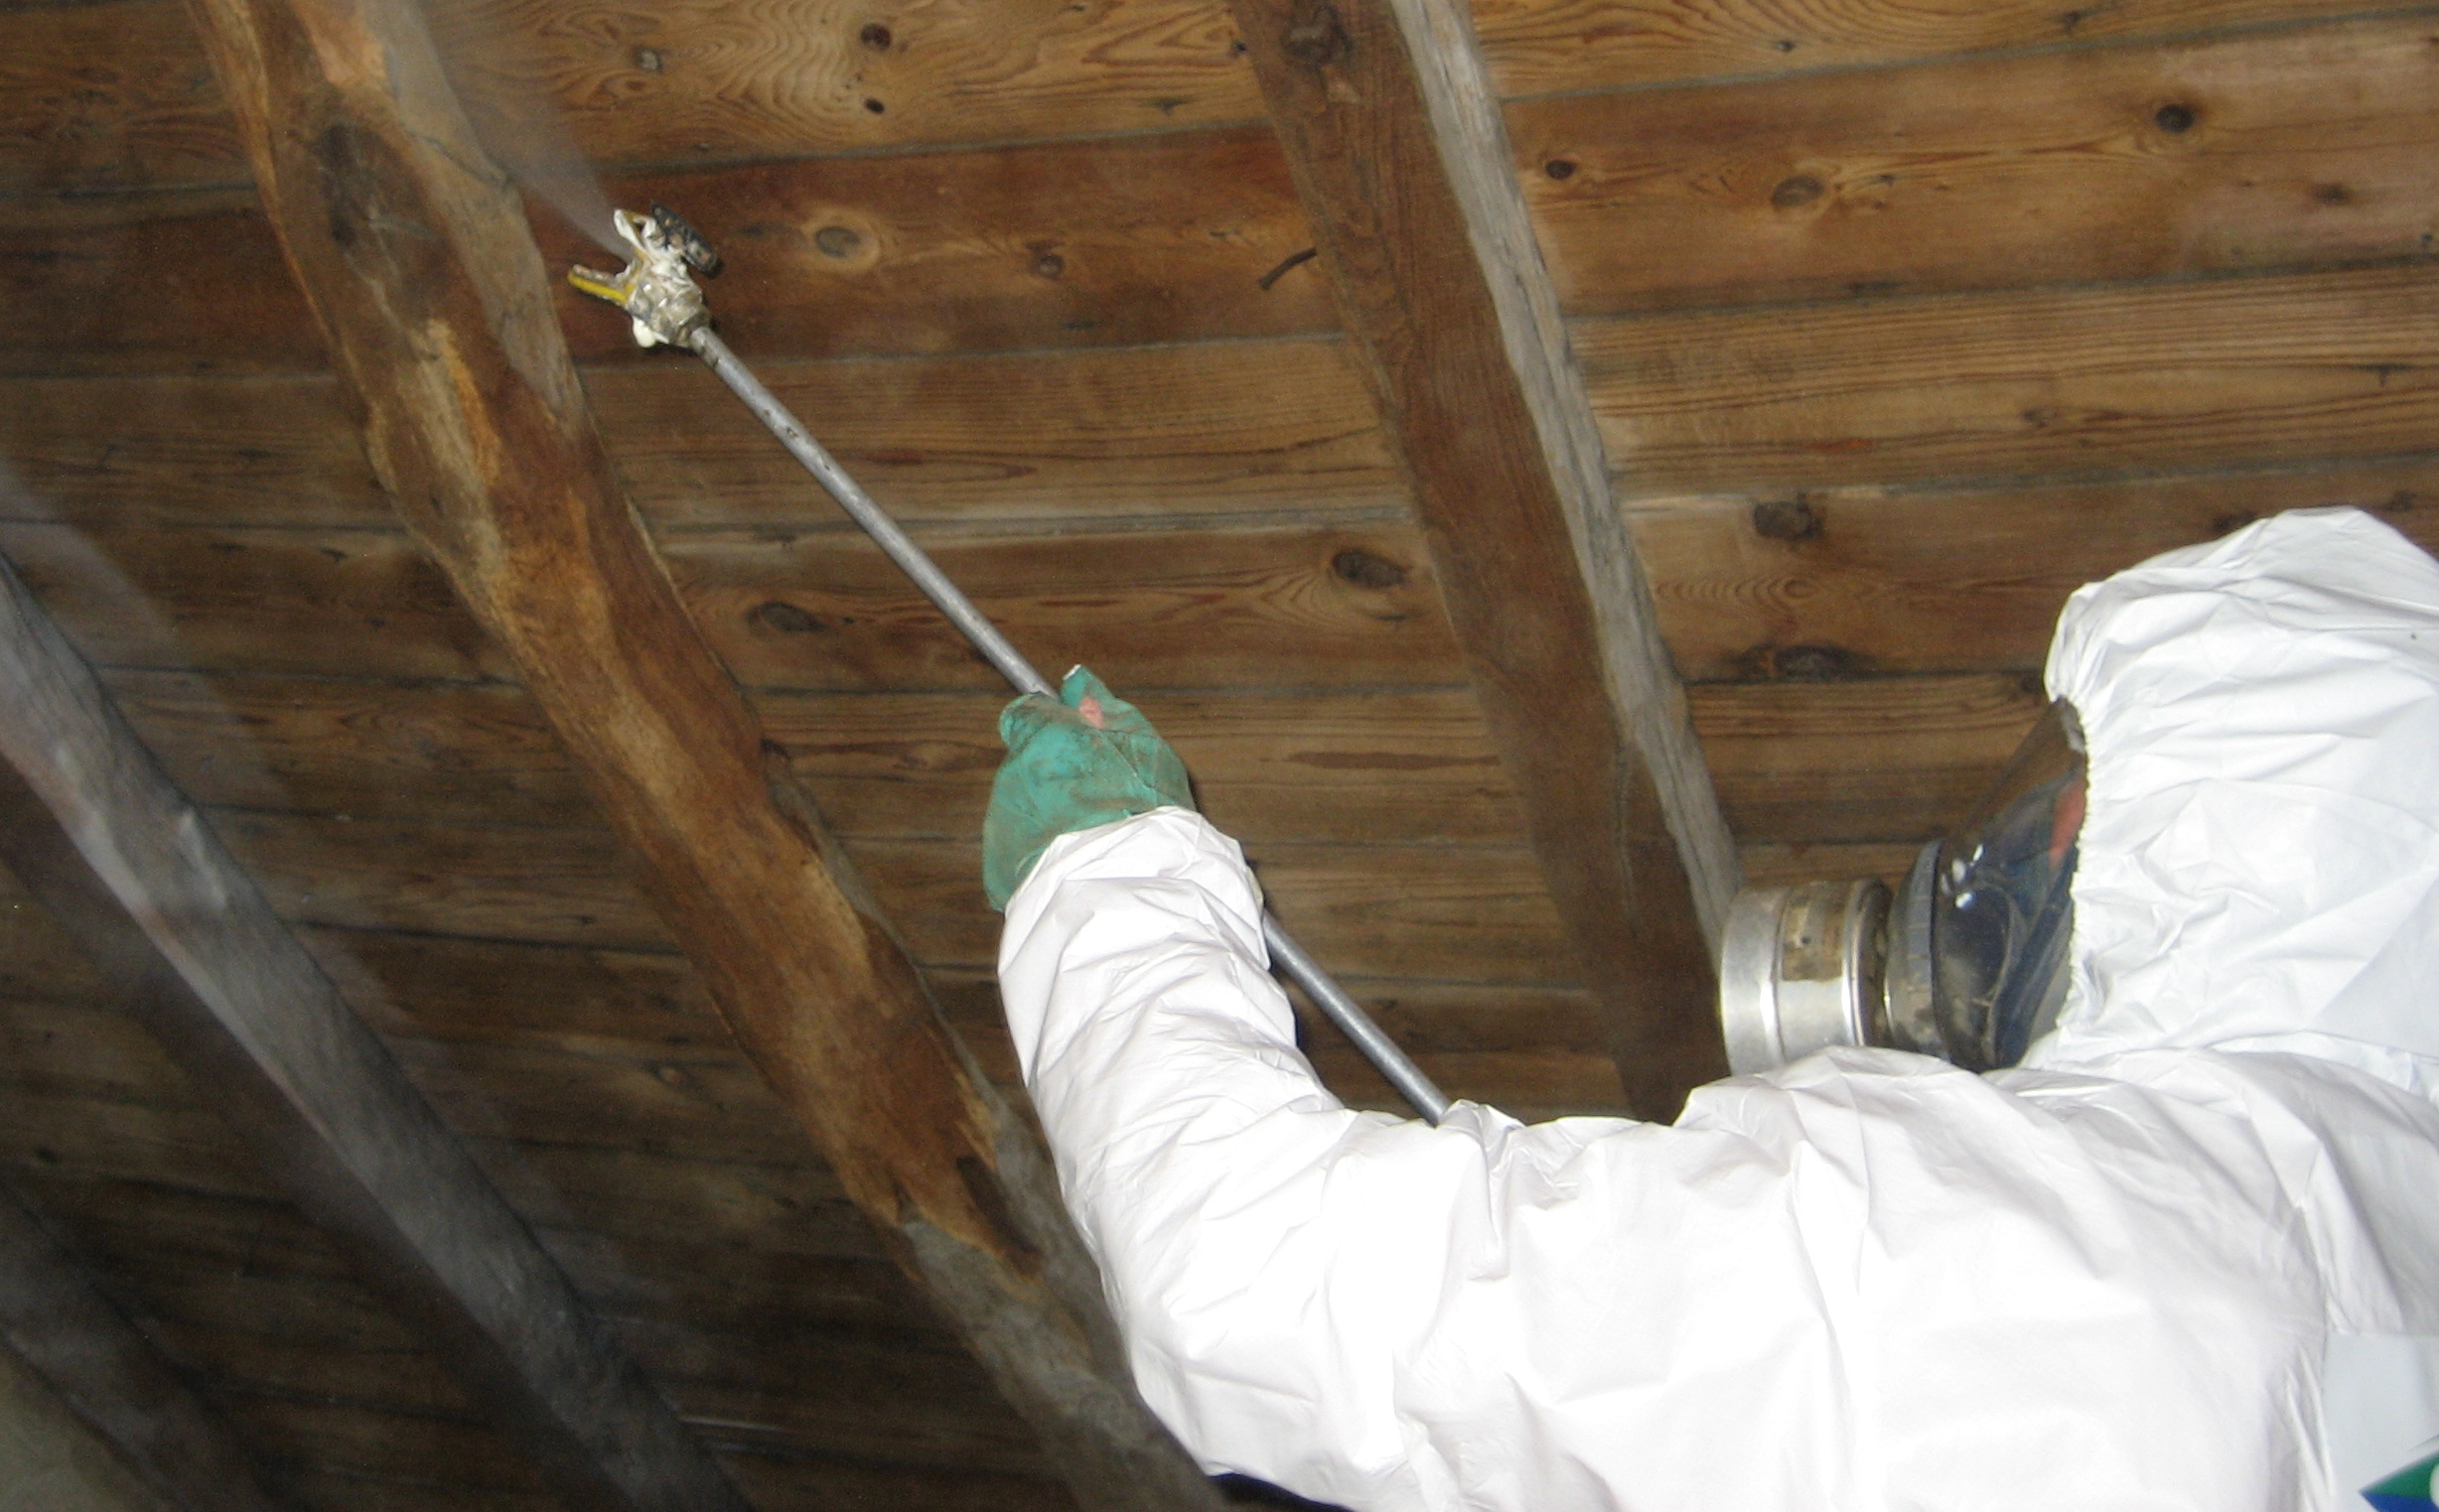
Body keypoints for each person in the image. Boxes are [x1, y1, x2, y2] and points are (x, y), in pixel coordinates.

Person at [984, 508, 2439, 1510]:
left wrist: (1107, 869)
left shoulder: (1996, 1241)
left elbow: (1252, 1282)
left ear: (2216, 842)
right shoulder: (2391, 1199)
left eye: (2068, 799)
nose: (2002, 852)